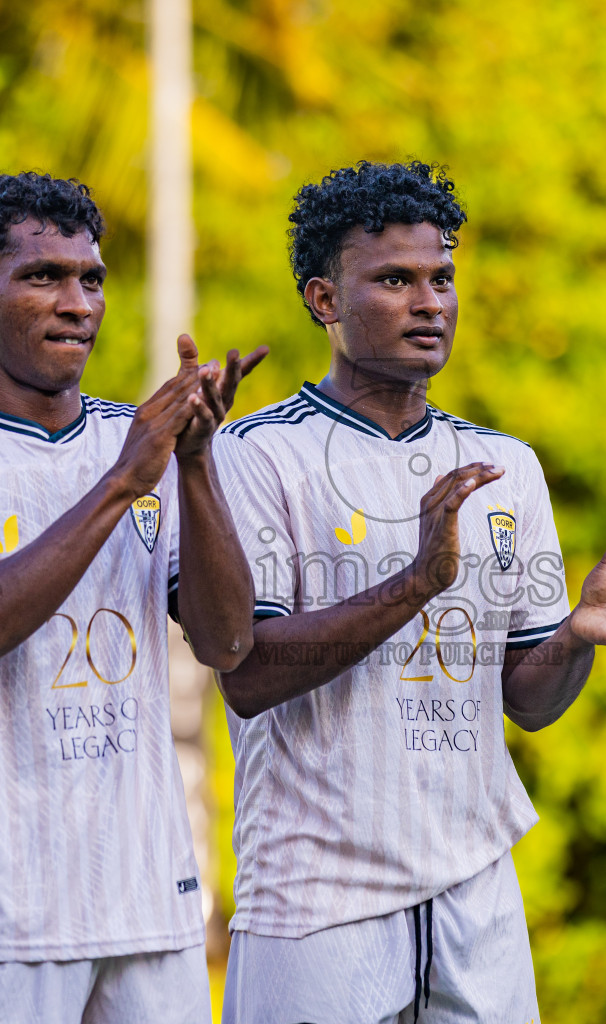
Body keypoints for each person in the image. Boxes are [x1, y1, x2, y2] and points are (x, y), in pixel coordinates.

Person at [213, 160, 606, 1024]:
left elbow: (528, 705)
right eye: (393, 279)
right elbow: (247, 674)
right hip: (317, 899)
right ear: (324, 300)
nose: (429, 303)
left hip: (478, 895)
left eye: (441, 279)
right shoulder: (253, 452)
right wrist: (417, 582)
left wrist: (575, 636)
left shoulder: (508, 467)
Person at [0, 171, 265, 1024]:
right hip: (14, 920)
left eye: (92, 278)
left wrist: (193, 464)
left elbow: (227, 644)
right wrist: (125, 479)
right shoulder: (128, 461)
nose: (77, 301)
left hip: (151, 902)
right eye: (43, 276)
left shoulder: (141, 445)